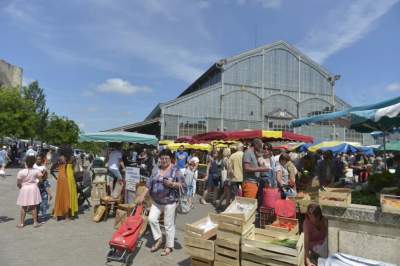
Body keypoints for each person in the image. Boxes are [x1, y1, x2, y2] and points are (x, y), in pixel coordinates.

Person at [136, 149, 185, 256]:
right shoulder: (156, 169)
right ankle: (159, 239)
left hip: (170, 202)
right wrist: (142, 196)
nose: (163, 160)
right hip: (156, 201)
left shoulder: (175, 170)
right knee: (151, 219)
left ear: (170, 159)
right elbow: (148, 184)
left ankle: (169, 246)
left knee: (168, 224)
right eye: (162, 158)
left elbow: (183, 185)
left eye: (166, 158)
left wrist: (172, 184)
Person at [16, 156, 44, 228]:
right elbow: (41, 180)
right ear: (33, 163)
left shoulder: (21, 172)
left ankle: (21, 223)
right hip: (33, 188)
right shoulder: (37, 171)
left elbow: (18, 183)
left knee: (23, 207)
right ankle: (35, 222)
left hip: (24, 188)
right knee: (33, 206)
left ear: (26, 162)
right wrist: (36, 183)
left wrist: (20, 187)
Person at [52, 153, 71, 220]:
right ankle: (57, 214)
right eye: (62, 158)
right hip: (60, 181)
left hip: (65, 181)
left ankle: (66, 214)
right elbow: (51, 170)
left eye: (64, 158)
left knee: (66, 197)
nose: (63, 159)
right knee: (59, 196)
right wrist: (56, 178)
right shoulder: (58, 163)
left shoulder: (67, 164)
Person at [35, 155, 52, 221]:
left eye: (39, 159)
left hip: (43, 186)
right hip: (36, 185)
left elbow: (47, 187)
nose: (38, 160)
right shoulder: (34, 166)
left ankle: (43, 216)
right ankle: (36, 216)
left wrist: (50, 194)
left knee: (44, 204)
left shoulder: (43, 167)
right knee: (36, 204)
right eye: (37, 159)